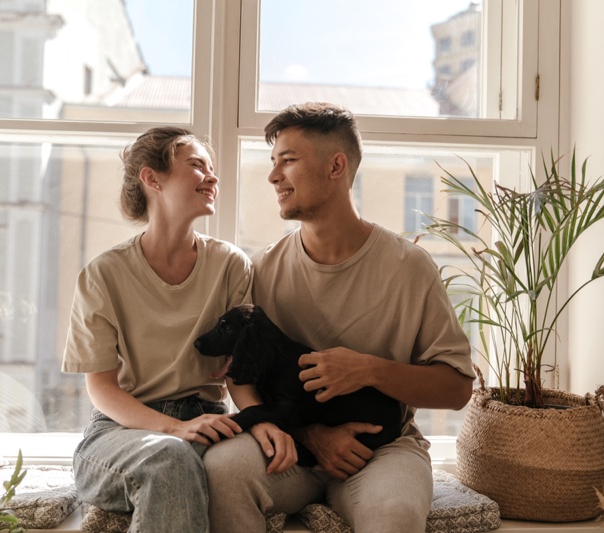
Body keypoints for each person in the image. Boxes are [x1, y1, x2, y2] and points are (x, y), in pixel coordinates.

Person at [203, 102, 476, 532]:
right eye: (273, 163)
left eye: (288, 161)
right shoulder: (264, 268)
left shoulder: (409, 267)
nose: (274, 176)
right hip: (291, 446)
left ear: (336, 166)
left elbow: (457, 388)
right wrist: (305, 433)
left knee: (395, 515)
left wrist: (368, 370)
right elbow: (241, 376)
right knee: (222, 470)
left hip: (382, 450)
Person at [61, 126, 294, 532]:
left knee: (206, 464)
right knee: (171, 457)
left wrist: (259, 418)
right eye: (197, 165)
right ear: (152, 179)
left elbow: (237, 373)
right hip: (121, 433)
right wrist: (176, 429)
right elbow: (101, 388)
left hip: (210, 422)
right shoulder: (104, 274)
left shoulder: (230, 266)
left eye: (212, 168)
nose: (213, 176)